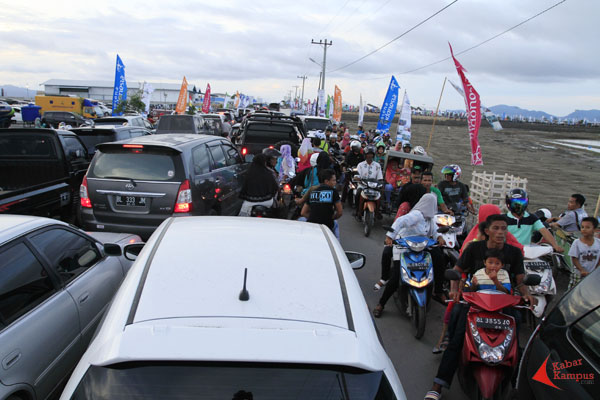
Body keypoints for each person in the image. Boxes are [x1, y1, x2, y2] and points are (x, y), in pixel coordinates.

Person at [424, 214, 532, 400]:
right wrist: (455, 291)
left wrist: (527, 294)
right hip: (474, 302)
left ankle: (518, 383)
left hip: (503, 303)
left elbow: (521, 281)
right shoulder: (474, 249)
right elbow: (457, 272)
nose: (500, 232)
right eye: (496, 228)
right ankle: (438, 384)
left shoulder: (514, 253)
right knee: (457, 339)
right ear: (487, 231)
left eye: (504, 229)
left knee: (518, 341)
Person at [373, 193, 445, 317]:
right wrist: (389, 237)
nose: (436, 207)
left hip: (420, 248)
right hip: (403, 247)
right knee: (396, 277)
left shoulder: (429, 219)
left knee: (431, 268)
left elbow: (435, 231)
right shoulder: (416, 215)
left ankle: (436, 291)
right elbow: (400, 221)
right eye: (435, 205)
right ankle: (381, 304)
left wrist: (439, 237)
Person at [374, 184, 428, 291]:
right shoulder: (405, 206)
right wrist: (391, 237)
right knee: (387, 253)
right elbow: (398, 222)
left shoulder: (427, 206)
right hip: (403, 240)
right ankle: (384, 278)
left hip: (422, 242)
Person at [300, 169, 343, 239]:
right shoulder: (333, 191)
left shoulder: (313, 192)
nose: (335, 182)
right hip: (327, 225)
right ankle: (337, 245)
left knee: (301, 219)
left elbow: (303, 212)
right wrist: (331, 218)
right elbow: (340, 212)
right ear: (326, 181)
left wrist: (315, 218)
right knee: (335, 224)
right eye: (333, 180)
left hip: (312, 224)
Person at [567, 217, 600, 290]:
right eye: (582, 227)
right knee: (575, 290)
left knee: (590, 290)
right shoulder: (577, 243)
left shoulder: (598, 243)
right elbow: (574, 258)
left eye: (587, 227)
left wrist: (596, 270)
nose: (584, 229)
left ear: (595, 230)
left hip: (592, 273)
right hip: (579, 273)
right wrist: (582, 270)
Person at [354, 145, 383, 220]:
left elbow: (380, 178)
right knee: (358, 194)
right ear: (365, 155)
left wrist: (381, 183)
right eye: (368, 154)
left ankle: (377, 212)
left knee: (381, 196)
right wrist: (358, 179)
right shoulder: (360, 165)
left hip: (374, 186)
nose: (369, 156)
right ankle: (358, 211)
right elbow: (357, 175)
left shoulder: (377, 165)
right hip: (363, 185)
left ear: (373, 155)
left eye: (371, 154)